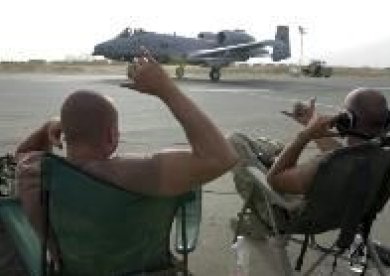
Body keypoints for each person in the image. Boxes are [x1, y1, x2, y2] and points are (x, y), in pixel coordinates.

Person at [13, 50, 238, 271]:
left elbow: (23, 152)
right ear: (112, 136)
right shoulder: (132, 175)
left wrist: (47, 127)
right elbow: (221, 157)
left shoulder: (35, 174)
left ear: (65, 133)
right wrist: (166, 90)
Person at [229, 88, 390, 233]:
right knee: (278, 149)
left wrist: (304, 136)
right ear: (387, 121)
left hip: (291, 216)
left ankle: (260, 224)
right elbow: (342, 154)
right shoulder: (381, 157)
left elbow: (274, 180)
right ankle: (272, 155)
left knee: (234, 141)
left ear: (347, 120)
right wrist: (311, 122)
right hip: (350, 213)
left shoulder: (325, 164)